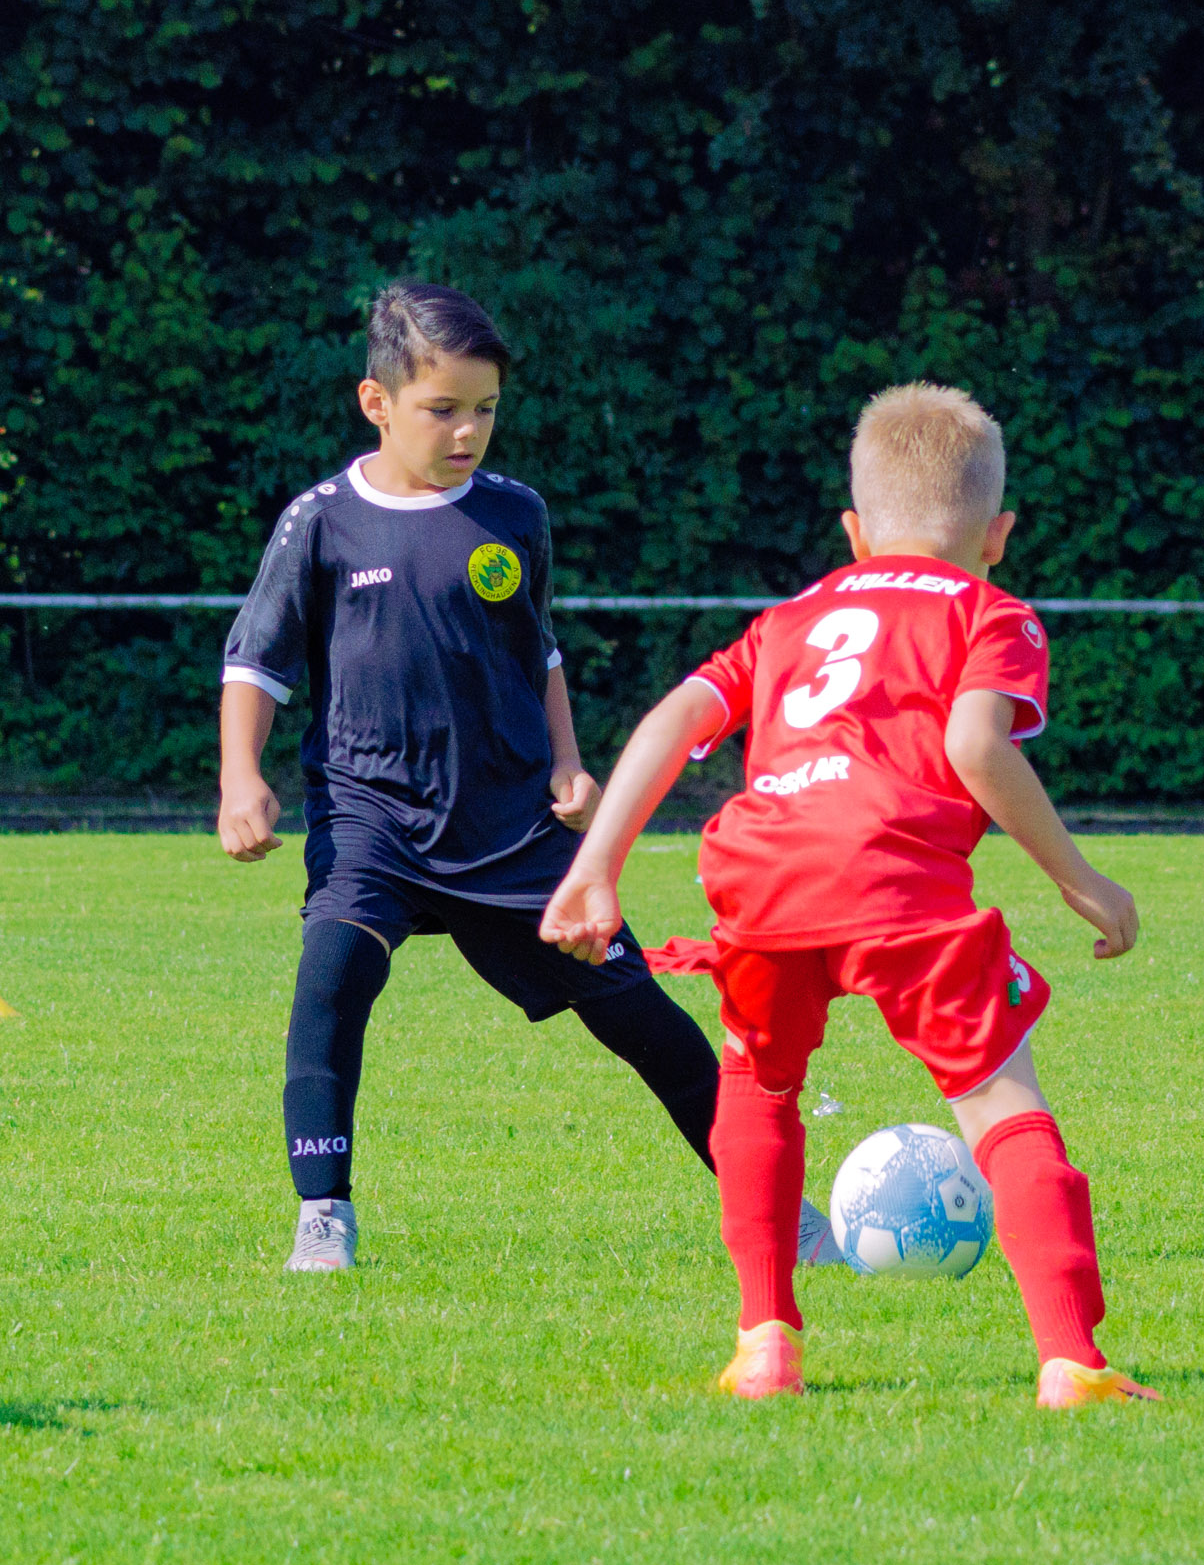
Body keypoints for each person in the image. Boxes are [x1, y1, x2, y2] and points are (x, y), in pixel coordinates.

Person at [541, 383, 1155, 1409]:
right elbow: (975, 747)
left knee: (759, 1083)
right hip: (895, 873)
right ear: (998, 535)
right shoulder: (990, 611)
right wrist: (1079, 879)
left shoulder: (789, 618)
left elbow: (673, 719)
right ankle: (1070, 1360)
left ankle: (765, 1342)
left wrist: (596, 866)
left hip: (765, 869)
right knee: (1001, 1099)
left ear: (856, 531)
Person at [219, 283, 834, 1274]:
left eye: (485, 409)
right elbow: (256, 661)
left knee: (641, 1016)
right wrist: (239, 776)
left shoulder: (515, 513)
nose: (467, 431)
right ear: (376, 402)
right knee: (332, 979)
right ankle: (323, 1216)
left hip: (510, 827)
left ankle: (783, 1215)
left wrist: (567, 760)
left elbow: (537, 647)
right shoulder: (322, 522)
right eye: (442, 409)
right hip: (372, 816)